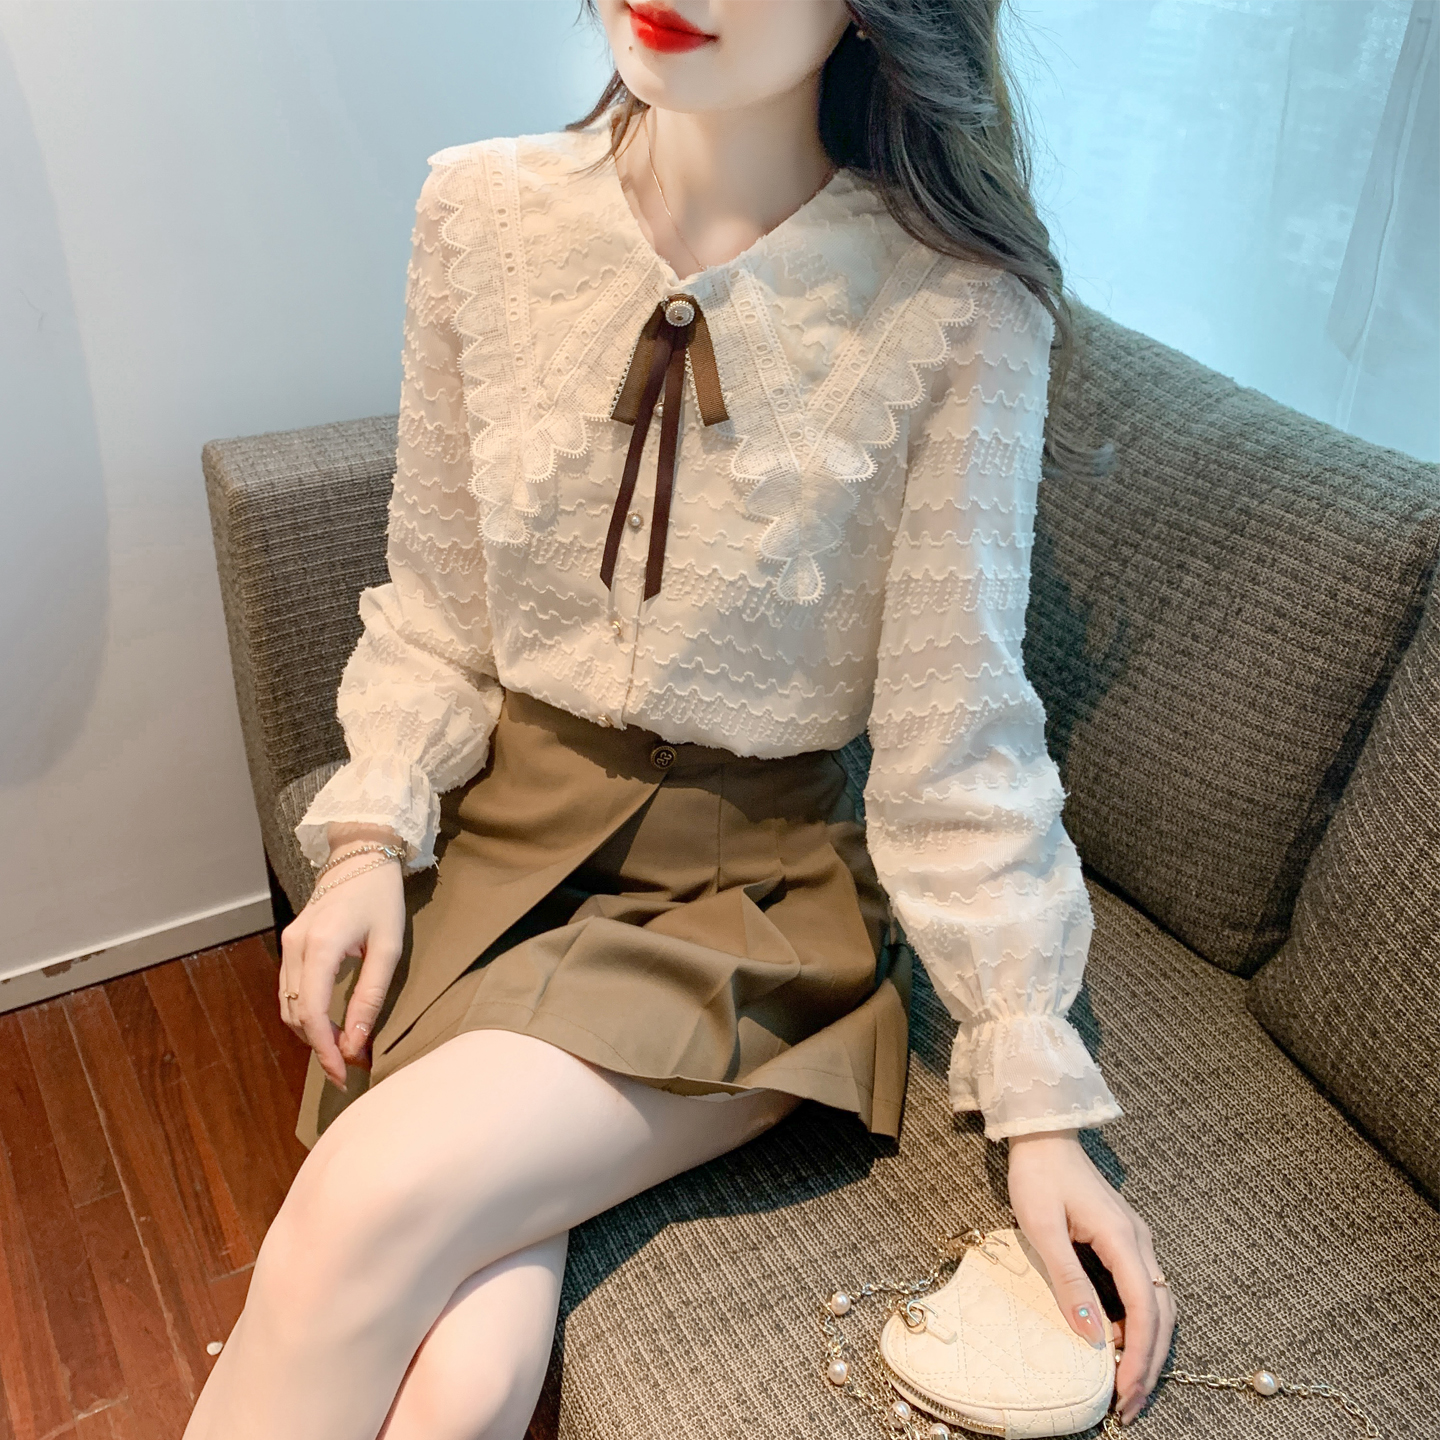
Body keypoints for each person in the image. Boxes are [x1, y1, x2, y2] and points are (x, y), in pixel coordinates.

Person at [183, 3, 1177, 1436]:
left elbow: (956, 736)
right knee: (466, 1371)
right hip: (505, 836)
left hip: (744, 900)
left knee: (363, 1202)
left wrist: (1039, 1101)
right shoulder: (481, 212)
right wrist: (366, 842)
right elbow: (440, 602)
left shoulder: (957, 306)